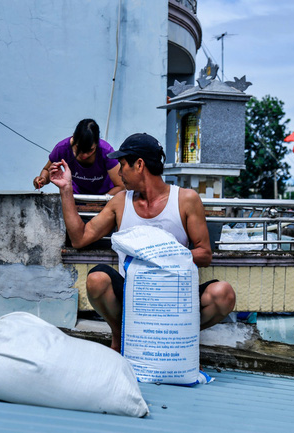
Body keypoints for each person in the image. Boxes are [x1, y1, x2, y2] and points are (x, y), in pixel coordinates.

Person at [49, 133, 236, 352]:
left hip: (174, 297)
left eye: (122, 166)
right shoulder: (121, 202)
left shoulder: (185, 199)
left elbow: (204, 254)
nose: (119, 174)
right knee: (97, 279)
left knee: (223, 294)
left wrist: (156, 255)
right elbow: (80, 238)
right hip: (133, 297)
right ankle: (121, 333)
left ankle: (174, 336)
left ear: (139, 165)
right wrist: (66, 188)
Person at [33, 119, 124, 195]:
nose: (84, 155)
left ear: (97, 143)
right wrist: (43, 179)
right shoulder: (62, 148)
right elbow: (46, 170)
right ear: (73, 138)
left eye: (90, 151)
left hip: (104, 196)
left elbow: (120, 186)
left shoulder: (106, 152)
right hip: (76, 197)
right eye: (78, 149)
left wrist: (100, 202)